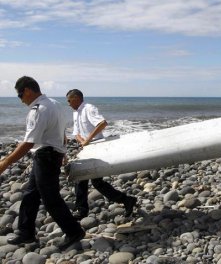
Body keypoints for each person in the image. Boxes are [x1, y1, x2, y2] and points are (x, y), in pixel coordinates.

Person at [0, 76, 85, 250]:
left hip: (46, 156)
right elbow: (62, 133)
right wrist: (62, 152)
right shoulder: (54, 104)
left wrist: (5, 162)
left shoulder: (38, 109)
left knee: (50, 198)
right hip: (50, 154)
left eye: (20, 95)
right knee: (31, 194)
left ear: (28, 91)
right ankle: (26, 232)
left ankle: (74, 231)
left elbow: (29, 142)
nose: (21, 100)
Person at [66, 89, 137, 219]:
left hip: (97, 147)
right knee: (83, 179)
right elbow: (76, 132)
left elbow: (102, 123)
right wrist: (82, 141)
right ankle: (82, 210)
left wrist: (88, 139)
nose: (68, 104)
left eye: (69, 100)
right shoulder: (75, 113)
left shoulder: (89, 108)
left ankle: (126, 200)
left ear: (76, 98)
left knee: (95, 181)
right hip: (86, 149)